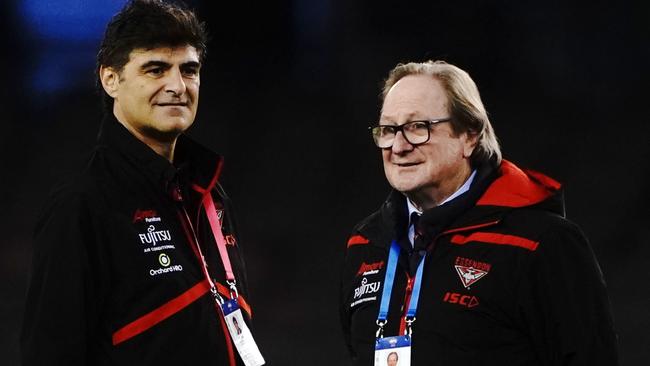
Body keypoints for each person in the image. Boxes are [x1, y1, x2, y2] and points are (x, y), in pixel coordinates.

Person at [21, 1, 258, 365]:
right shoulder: (83, 205)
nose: (177, 85)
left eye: (189, 70)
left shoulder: (211, 198)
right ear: (110, 79)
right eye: (156, 69)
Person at [339, 60, 618, 365]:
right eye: (389, 130)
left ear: (470, 135)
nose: (399, 145)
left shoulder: (541, 244)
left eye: (418, 127)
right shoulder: (365, 243)